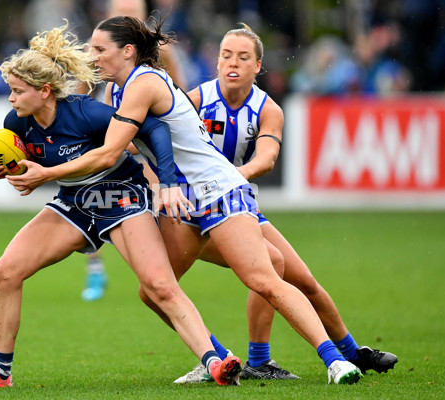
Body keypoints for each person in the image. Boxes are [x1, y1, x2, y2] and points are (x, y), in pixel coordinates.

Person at [45, 15, 363, 385]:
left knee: (263, 278)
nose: (93, 56)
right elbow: (128, 145)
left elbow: (110, 150)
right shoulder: (116, 91)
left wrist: (43, 171)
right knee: (155, 290)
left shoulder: (144, 83)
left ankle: (335, 360)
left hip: (218, 190)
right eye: (91, 49)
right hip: (183, 199)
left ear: (128, 51)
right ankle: (216, 356)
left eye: (100, 49)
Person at [0, 21, 242, 389]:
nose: (11, 99)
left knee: (159, 285)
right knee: (6, 270)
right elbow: (17, 165)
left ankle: (215, 361)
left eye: (18, 91)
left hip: (123, 198)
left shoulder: (85, 113)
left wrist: (165, 182)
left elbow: (156, 130)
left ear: (45, 91)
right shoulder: (16, 123)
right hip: (74, 205)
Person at [173, 23, 398, 383]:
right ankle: (231, 357)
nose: (233, 63)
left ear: (257, 66)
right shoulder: (195, 101)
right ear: (216, 62)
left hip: (236, 204)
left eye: (243, 57)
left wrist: (230, 180)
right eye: (226, 56)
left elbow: (266, 159)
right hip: (194, 213)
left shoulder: (268, 109)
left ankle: (352, 352)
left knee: (305, 280)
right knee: (258, 266)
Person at [80, 0, 188, 302]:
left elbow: (182, 95)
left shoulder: (161, 54)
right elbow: (80, 96)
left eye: (133, 14)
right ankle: (96, 268)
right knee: (91, 195)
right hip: (115, 129)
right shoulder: (98, 50)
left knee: (158, 206)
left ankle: (164, 272)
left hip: (147, 141)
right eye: (119, 14)